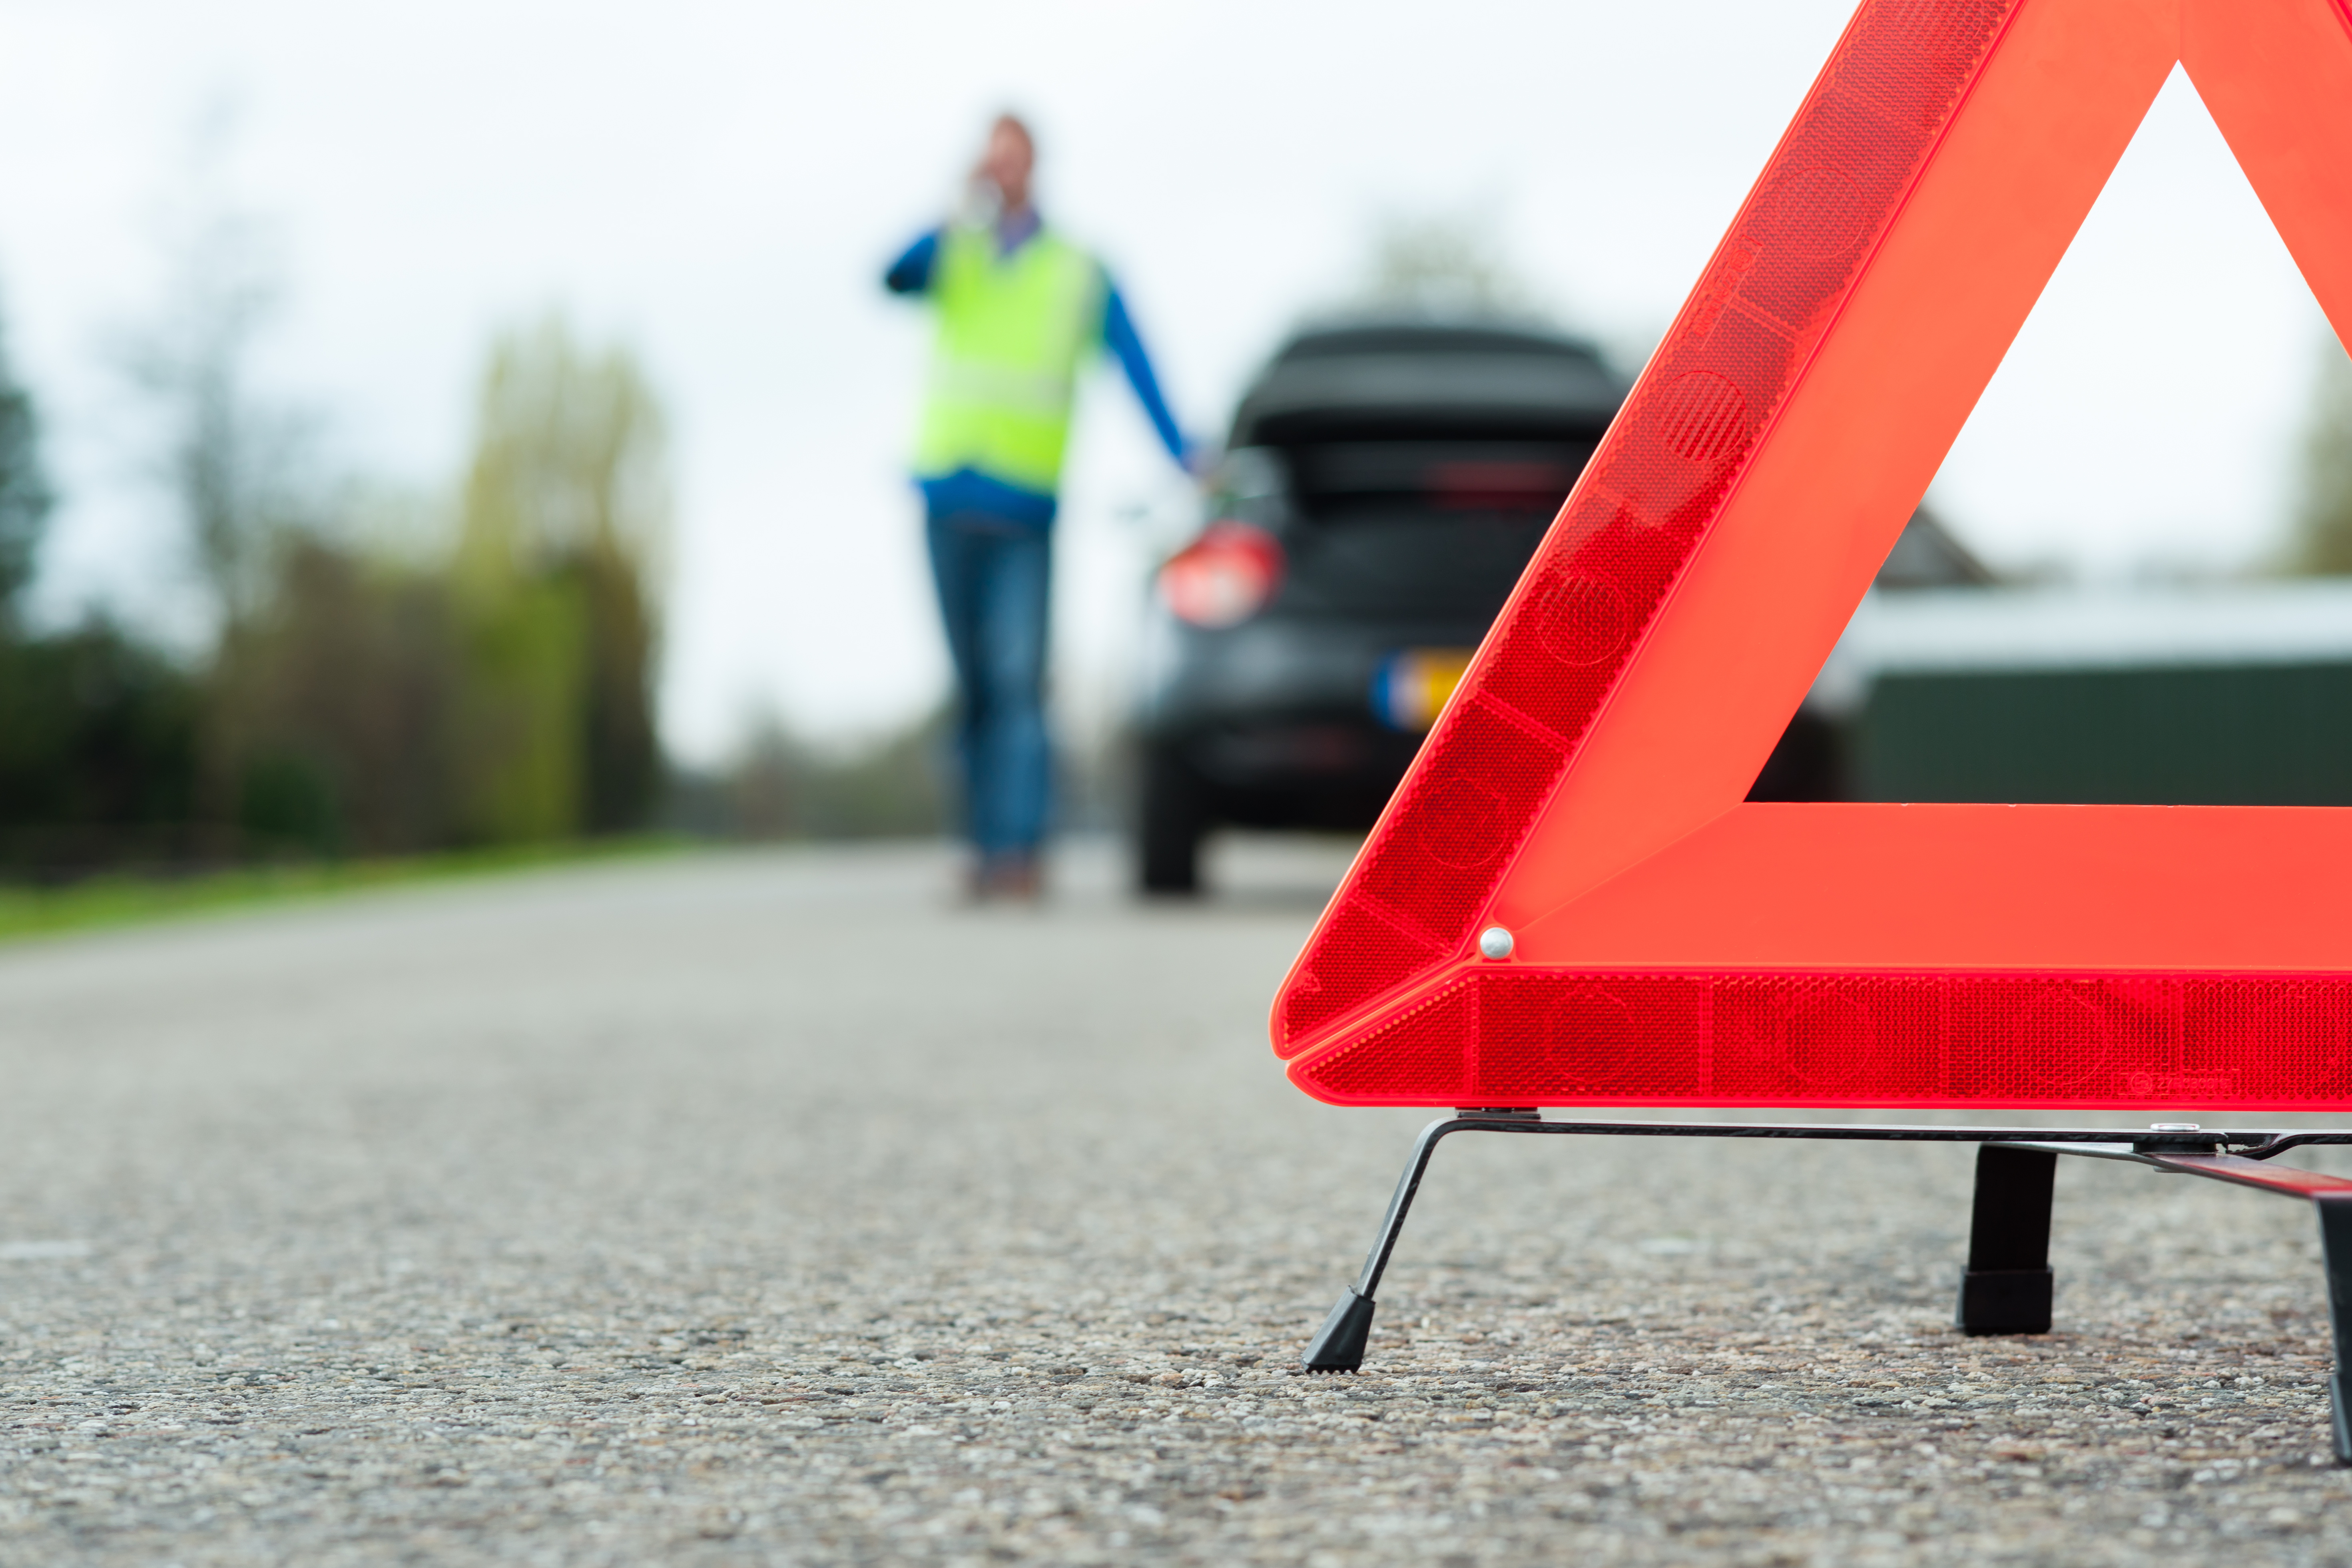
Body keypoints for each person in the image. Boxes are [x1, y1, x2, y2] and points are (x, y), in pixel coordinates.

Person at [885, 113, 1194, 900]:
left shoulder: (1076, 270)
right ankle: (981, 847)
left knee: (1019, 679)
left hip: (1023, 506)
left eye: (1012, 161)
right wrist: (956, 209)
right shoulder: (955, 252)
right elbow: (889, 277)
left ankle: (1019, 852)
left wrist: (1186, 454)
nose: (1002, 174)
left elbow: (1136, 362)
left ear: (1036, 168)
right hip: (948, 495)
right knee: (973, 687)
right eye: (990, 162)